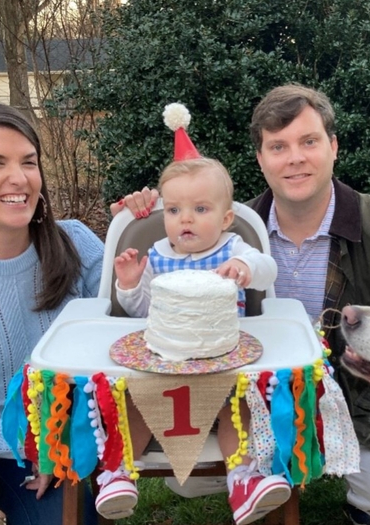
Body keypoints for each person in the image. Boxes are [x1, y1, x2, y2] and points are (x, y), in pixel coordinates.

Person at [113, 84, 370, 525]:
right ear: (261, 158)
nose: (295, 158)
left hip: (358, 405)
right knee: (189, 478)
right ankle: (261, 473)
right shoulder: (232, 231)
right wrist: (152, 206)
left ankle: (346, 479)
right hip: (253, 402)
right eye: (278, 146)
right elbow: (181, 224)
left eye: (308, 142)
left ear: (333, 146)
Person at [0, 101, 142, 525]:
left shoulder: (73, 242)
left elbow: (133, 334)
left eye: (28, 162)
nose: (19, 178)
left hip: (51, 444)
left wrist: (147, 226)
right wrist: (34, 442)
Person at [100, 155, 291, 525]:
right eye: (173, 210)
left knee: (240, 407)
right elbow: (142, 313)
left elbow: (269, 273)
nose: (185, 219)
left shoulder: (233, 248)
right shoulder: (156, 255)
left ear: (225, 218)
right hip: (164, 368)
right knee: (136, 404)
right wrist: (129, 284)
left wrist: (248, 268)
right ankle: (118, 473)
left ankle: (243, 479)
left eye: (200, 208)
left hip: (224, 364)